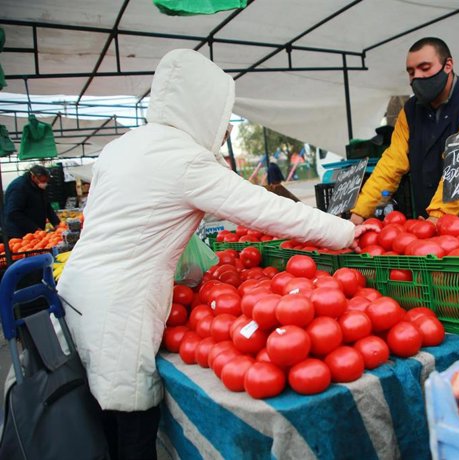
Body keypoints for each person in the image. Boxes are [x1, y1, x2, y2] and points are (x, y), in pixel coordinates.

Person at [56, 49, 368, 459]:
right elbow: (265, 208)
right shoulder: (184, 160)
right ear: (202, 108)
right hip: (121, 304)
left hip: (78, 290)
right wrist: (343, 230)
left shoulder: (125, 146)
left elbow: (137, 220)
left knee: (99, 423)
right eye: (221, 116)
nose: (222, 130)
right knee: (131, 424)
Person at [350, 37, 459, 231]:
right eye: (411, 72)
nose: (417, 77)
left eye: (425, 68)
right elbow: (391, 163)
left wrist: (437, 217)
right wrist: (358, 213)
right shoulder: (409, 112)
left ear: (448, 65)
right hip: (440, 228)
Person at [3, 164, 60, 239]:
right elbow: (14, 212)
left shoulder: (38, 187)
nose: (45, 183)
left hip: (34, 232)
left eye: (47, 181)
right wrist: (34, 229)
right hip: (18, 233)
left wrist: (57, 223)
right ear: (33, 177)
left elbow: (47, 206)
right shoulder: (19, 187)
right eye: (43, 181)